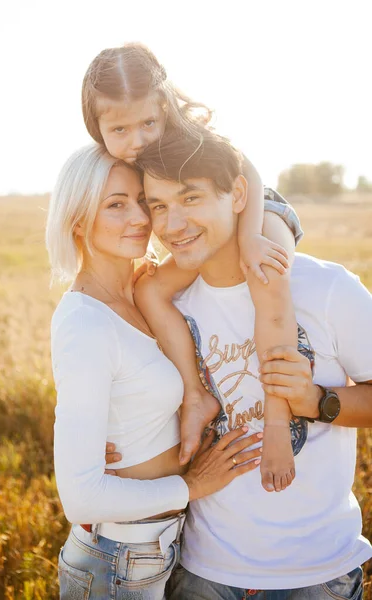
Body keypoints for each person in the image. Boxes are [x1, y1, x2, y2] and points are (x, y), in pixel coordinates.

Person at [131, 126, 372, 598]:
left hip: (316, 574)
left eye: (191, 197)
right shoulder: (167, 307)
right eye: (158, 205)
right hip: (204, 570)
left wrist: (318, 401)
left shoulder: (326, 288)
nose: (173, 224)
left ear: (239, 194)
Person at [82, 43, 305, 492]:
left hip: (257, 212)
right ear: (97, 128)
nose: (138, 139)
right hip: (204, 227)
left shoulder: (188, 132)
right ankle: (196, 395)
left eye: (148, 122)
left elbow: (249, 174)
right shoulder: (110, 163)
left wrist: (249, 238)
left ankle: (279, 421)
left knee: (267, 280)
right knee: (148, 291)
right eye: (120, 129)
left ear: (165, 107)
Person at [46, 144, 263, 599]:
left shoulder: (146, 289)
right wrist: (192, 485)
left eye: (142, 201)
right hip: (115, 560)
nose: (141, 218)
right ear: (79, 221)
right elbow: (80, 497)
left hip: (165, 546)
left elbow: (228, 192)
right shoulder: (86, 322)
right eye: (115, 205)